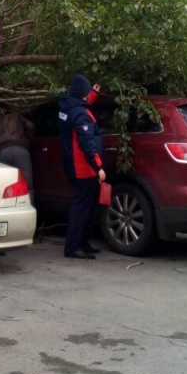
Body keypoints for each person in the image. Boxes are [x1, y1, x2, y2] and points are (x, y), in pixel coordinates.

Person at [57, 73, 106, 260]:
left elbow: (79, 107)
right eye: (87, 93)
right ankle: (73, 247)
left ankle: (83, 243)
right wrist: (98, 167)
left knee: (87, 207)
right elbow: (86, 142)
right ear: (82, 94)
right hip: (83, 168)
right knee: (82, 209)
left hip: (72, 163)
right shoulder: (79, 114)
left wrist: (92, 93)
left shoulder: (67, 107)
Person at [0, 109, 36, 194]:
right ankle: (28, 204)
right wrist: (29, 141)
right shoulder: (16, 116)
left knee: (5, 185)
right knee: (27, 184)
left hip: (3, 151)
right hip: (21, 150)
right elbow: (30, 126)